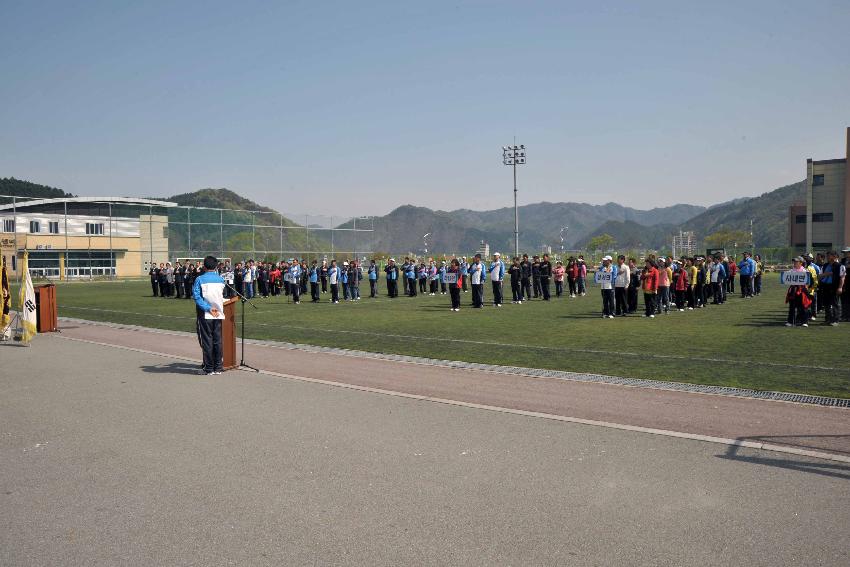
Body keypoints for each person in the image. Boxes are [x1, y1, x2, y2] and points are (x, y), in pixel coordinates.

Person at [193, 255, 226, 375]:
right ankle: (218, 367)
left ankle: (209, 368)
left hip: (205, 313)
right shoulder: (221, 279)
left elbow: (196, 297)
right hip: (218, 313)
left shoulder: (200, 279)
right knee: (217, 340)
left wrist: (207, 307)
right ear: (216, 266)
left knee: (207, 340)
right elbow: (222, 295)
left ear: (204, 266)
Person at [820, 250, 845, 326]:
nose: (828, 257)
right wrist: (827, 274)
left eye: (829, 255)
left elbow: (842, 277)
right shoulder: (825, 265)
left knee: (835, 303)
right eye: (827, 255)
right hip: (825, 286)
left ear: (835, 256)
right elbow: (820, 276)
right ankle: (828, 319)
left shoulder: (840, 266)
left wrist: (840, 287)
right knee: (826, 304)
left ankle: (835, 320)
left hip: (834, 287)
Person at [785, 256, 811, 327]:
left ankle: (804, 321)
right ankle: (790, 321)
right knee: (792, 306)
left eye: (796, 262)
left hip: (802, 290)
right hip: (793, 290)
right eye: (794, 262)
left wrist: (805, 288)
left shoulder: (805, 271)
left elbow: (808, 282)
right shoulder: (791, 271)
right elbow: (785, 278)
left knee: (803, 306)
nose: (795, 263)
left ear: (801, 263)